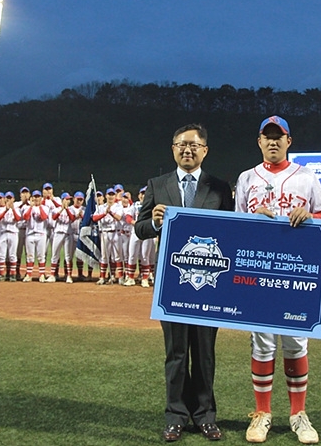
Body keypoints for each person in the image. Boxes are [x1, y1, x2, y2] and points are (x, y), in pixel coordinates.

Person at [235, 116, 321, 445]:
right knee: (262, 344)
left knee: (294, 343)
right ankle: (262, 413)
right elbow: (235, 226)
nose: (273, 142)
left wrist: (311, 216)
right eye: (267, 136)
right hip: (259, 273)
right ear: (259, 141)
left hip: (296, 273)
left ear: (289, 141)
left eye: (279, 136)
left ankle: (297, 414)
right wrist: (251, 218)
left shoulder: (306, 177)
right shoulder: (247, 177)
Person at [135, 123, 233, 443]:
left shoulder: (219, 187)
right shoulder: (157, 184)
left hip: (209, 283)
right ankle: (175, 414)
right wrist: (154, 222)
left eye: (193, 145)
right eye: (181, 144)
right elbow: (140, 227)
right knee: (176, 353)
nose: (186, 150)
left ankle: (205, 415)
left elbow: (233, 231)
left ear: (205, 150)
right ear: (172, 148)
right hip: (172, 282)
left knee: (204, 352)